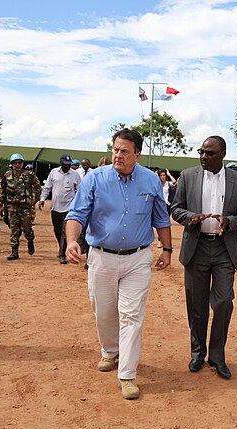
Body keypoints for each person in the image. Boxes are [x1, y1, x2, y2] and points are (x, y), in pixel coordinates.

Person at [65, 128, 172, 400]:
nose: (118, 155)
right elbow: (77, 213)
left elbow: (161, 218)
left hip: (137, 259)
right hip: (101, 256)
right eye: (115, 149)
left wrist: (167, 249)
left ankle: (127, 374)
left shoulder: (150, 181)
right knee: (103, 311)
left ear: (137, 154)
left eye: (124, 151)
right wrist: (72, 240)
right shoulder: (95, 179)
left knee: (131, 315)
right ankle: (109, 351)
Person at [170, 136, 237, 380]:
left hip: (224, 248)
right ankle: (198, 351)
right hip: (196, 246)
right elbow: (175, 208)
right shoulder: (188, 176)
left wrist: (230, 221)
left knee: (224, 301)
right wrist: (191, 217)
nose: (204, 156)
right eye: (201, 152)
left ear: (223, 154)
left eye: (209, 153)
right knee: (196, 304)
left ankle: (217, 356)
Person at [39, 154, 81, 264]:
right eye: (65, 164)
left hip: (69, 208)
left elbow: (80, 190)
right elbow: (47, 187)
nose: (67, 166)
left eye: (69, 165)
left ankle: (62, 254)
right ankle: (62, 246)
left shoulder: (75, 175)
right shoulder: (54, 172)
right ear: (61, 163)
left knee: (64, 231)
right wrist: (42, 199)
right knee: (57, 230)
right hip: (56, 207)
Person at [3, 153, 41, 260]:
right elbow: (2, 190)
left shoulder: (29, 175)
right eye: (15, 163)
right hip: (12, 206)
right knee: (14, 229)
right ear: (12, 164)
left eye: (19, 162)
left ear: (22, 163)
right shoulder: (7, 176)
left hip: (25, 206)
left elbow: (38, 187)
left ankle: (30, 240)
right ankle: (14, 251)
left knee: (27, 227)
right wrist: (0, 204)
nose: (17, 165)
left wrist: (35, 200)